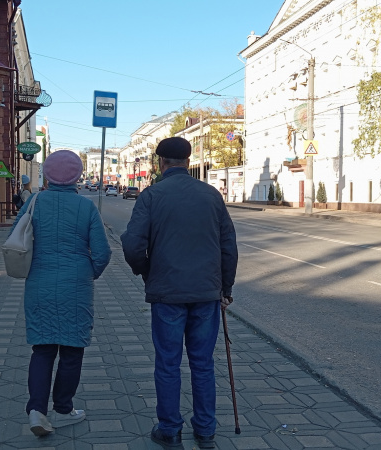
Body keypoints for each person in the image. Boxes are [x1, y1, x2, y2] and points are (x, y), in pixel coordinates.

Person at [121, 137, 238, 449]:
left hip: (167, 295)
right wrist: (226, 289)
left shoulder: (151, 195)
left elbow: (132, 246)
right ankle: (206, 432)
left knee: (168, 363)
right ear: (189, 161)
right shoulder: (212, 195)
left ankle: (170, 430)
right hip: (206, 294)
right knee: (203, 363)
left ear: (161, 163)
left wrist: (147, 271)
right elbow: (228, 246)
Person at [9, 150, 111, 437]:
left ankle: (36, 411)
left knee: (42, 349)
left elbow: (16, 236)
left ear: (48, 175)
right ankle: (63, 409)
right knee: (71, 350)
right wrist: (89, 272)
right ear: (77, 176)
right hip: (76, 287)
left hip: (38, 282)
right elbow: (103, 253)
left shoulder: (34, 201)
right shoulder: (86, 207)